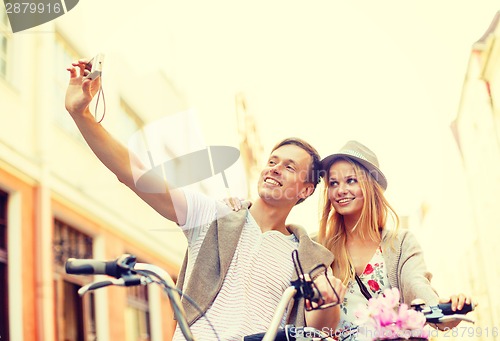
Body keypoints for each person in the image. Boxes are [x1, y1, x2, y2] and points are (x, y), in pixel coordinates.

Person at [64, 59, 345, 340]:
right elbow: (135, 173)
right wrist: (82, 115)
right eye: (272, 161)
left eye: (289, 167)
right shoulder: (214, 216)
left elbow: (321, 330)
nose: (274, 168)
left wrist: (328, 300)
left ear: (306, 189)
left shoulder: (307, 257)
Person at [318, 140, 475, 340]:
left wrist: (445, 309)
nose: (340, 190)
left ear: (369, 186)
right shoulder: (320, 247)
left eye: (351, 180)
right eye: (333, 183)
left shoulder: (401, 243)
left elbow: (416, 284)